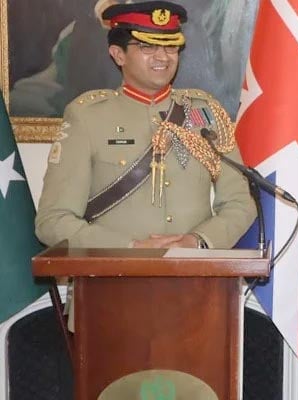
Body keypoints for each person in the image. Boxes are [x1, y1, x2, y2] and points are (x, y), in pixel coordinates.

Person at [35, 0, 256, 251]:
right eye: (147, 46)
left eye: (171, 47)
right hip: (115, 282)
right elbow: (53, 221)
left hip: (197, 279)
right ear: (118, 54)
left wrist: (198, 242)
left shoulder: (205, 113)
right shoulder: (87, 117)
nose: (162, 57)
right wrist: (129, 247)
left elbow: (240, 203)